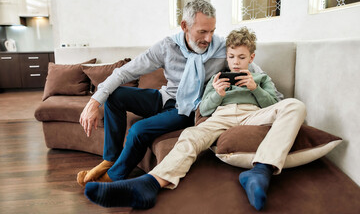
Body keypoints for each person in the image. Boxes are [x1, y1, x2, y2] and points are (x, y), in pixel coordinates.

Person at [83, 27, 306, 211]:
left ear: (251, 58)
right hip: (222, 116)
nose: (236, 63)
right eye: (231, 57)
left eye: (241, 57)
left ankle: (261, 171)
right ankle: (149, 184)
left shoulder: (261, 78)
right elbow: (204, 109)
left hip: (254, 114)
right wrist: (217, 94)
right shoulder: (216, 78)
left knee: (296, 105)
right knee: (190, 135)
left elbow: (276, 104)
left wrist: (255, 88)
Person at [77, 0, 282, 191]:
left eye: (212, 31)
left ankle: (113, 176)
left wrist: (278, 102)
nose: (208, 38)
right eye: (202, 32)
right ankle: (110, 159)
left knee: (139, 129)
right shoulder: (167, 47)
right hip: (165, 97)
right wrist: (94, 101)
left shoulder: (222, 48)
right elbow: (125, 72)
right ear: (184, 26)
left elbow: (253, 70)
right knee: (115, 96)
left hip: (188, 108)